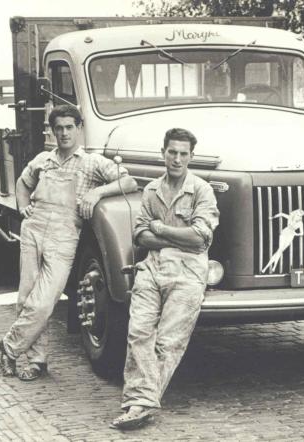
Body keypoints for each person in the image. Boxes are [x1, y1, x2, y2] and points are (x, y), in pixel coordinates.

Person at [0, 105, 137, 381]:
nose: (64, 133)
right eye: (58, 128)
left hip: (64, 235)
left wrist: (97, 192)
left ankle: (9, 347)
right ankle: (37, 361)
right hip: (33, 229)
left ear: (79, 129)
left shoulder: (92, 163)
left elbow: (128, 181)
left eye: (69, 127)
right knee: (26, 297)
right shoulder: (43, 160)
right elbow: (23, 183)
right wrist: (23, 207)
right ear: (52, 131)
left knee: (44, 301)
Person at [111, 128, 219, 430]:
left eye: (184, 153)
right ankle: (141, 403)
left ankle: (139, 404)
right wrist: (175, 237)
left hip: (188, 271)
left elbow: (200, 239)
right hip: (153, 266)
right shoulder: (151, 190)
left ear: (191, 156)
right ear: (163, 153)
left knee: (169, 342)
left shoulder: (202, 191)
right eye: (172, 152)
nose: (177, 159)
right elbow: (139, 235)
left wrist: (160, 229)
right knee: (138, 332)